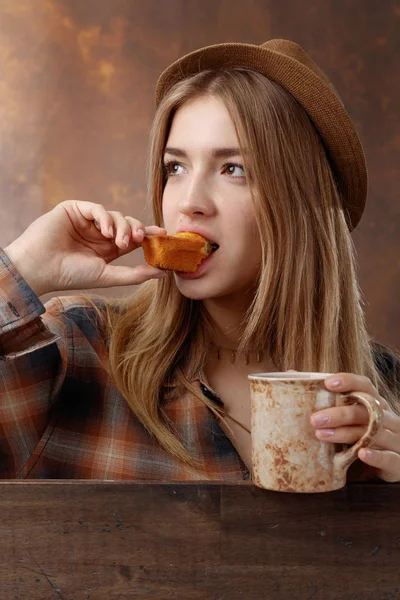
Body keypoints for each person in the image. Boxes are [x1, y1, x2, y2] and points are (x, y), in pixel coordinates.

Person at [1, 39, 399, 482]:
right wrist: (23, 266)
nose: (189, 204)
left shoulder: (384, 397)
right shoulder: (79, 349)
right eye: (175, 168)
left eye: (233, 169)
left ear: (304, 206)